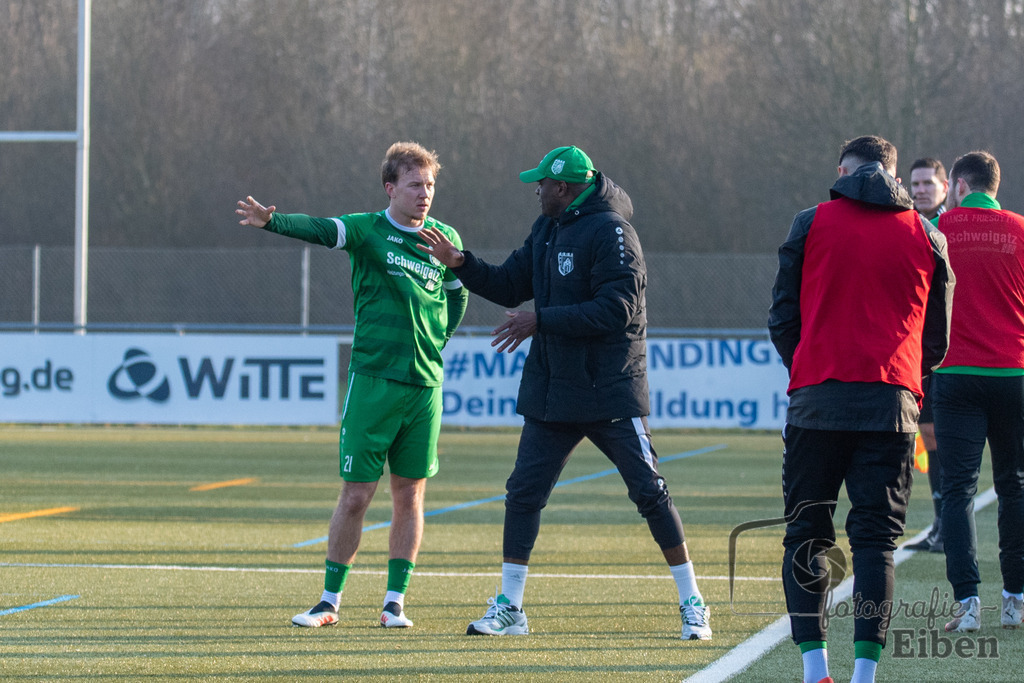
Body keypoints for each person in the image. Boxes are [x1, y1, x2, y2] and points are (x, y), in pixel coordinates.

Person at [416, 145, 712, 640]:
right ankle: (510, 607)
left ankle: (692, 602)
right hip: (553, 389)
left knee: (650, 493)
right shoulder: (547, 229)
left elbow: (615, 309)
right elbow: (510, 284)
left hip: (610, 389)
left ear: (565, 188)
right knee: (523, 494)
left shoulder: (615, 232)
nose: (536, 191)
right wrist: (460, 262)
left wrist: (541, 321)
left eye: (543, 184)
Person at [235, 141, 468, 629]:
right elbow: (322, 230)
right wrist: (271, 221)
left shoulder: (443, 237)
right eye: (414, 185)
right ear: (391, 188)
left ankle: (394, 603)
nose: (424, 195)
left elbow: (457, 293)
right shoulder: (368, 229)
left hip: (424, 387)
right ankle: (329, 601)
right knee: (357, 495)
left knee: (410, 496)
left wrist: (438, 336)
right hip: (374, 383)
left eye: (430, 186)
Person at [768, 135, 953, 683]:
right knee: (875, 544)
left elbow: (781, 317)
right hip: (890, 404)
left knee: (807, 536)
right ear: (895, 174)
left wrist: (807, 371)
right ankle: (864, 677)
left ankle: (813, 672)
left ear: (844, 170)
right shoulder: (928, 233)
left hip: (816, 403)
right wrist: (906, 383)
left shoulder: (810, 222)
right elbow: (938, 340)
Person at [930, 151, 1024, 633]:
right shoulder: (1020, 229)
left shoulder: (940, 230)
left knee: (958, 491)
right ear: (995, 184)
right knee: (1016, 487)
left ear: (960, 185)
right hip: (1014, 375)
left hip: (956, 376)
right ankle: (1016, 600)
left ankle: (967, 606)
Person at [905, 157, 950, 554]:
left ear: (944, 187)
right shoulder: (906, 225)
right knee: (928, 438)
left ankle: (948, 524)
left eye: (927, 184)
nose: (920, 190)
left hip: (947, 352)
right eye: (915, 184)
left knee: (941, 438)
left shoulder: (949, 229)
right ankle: (941, 523)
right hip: (916, 352)